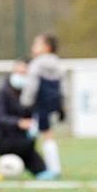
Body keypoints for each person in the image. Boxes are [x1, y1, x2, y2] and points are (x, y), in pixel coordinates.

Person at [0, 59, 56, 180]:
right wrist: (18, 123)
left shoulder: (31, 93)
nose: (20, 75)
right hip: (4, 139)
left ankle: (4, 170)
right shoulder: (3, 92)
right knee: (26, 147)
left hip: (24, 140)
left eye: (23, 72)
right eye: (18, 72)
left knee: (42, 170)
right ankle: (4, 169)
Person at [20, 33, 64, 178]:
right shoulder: (57, 63)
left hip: (41, 104)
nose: (33, 47)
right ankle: (50, 168)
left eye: (36, 44)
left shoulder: (36, 64)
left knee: (46, 135)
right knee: (46, 133)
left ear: (46, 47)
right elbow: (62, 86)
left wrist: (25, 103)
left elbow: (31, 86)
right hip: (54, 104)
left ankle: (53, 169)